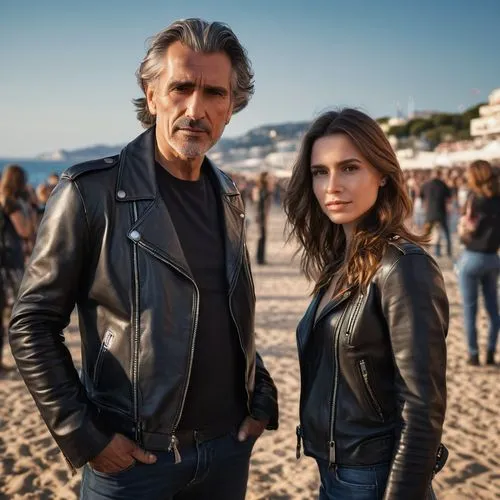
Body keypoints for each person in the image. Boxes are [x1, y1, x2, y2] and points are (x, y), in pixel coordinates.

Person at [9, 18, 278, 500]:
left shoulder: (228, 194)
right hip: (134, 462)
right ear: (151, 95)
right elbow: (32, 321)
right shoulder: (90, 192)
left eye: (215, 93)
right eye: (181, 88)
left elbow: (227, 309)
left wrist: (261, 393)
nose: (196, 108)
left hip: (227, 453)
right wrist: (83, 435)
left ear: (232, 107)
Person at [284, 109, 448, 500]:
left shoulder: (403, 268)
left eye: (349, 168)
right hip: (333, 472)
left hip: (374, 478)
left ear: (383, 173)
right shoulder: (341, 261)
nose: (332, 186)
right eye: (320, 172)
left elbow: (423, 408)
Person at [457, 160, 499, 366]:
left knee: (470, 309)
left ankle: (473, 355)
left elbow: (467, 232)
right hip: (493, 258)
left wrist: (464, 236)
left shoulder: (475, 199)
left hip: (472, 256)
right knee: (493, 309)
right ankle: (491, 352)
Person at [421, 167, 453, 257]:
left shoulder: (426, 184)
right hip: (441, 213)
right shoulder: (443, 184)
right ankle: (448, 251)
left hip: (430, 213)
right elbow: (449, 198)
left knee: (427, 233)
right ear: (439, 174)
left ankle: (425, 251)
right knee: (445, 233)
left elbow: (421, 196)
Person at [253, 171, 272, 264]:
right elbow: (261, 204)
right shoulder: (262, 189)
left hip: (261, 215)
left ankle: (260, 258)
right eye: (268, 177)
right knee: (262, 236)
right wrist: (262, 217)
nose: (270, 179)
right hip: (261, 215)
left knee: (262, 236)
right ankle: (260, 259)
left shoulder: (261, 189)